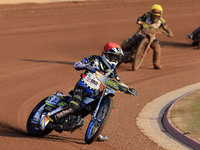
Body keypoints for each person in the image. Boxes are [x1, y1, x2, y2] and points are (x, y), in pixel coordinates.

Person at [40, 42, 137, 141]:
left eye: (117, 58)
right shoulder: (94, 59)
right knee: (74, 106)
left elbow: (118, 81)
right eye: (112, 57)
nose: (114, 61)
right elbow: (77, 64)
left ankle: (96, 130)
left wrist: (128, 89)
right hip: (83, 86)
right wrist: (87, 66)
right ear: (105, 54)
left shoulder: (112, 70)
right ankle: (48, 117)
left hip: (94, 91)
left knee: (98, 107)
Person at [121, 4, 173, 69]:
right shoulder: (147, 15)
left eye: (157, 16)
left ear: (160, 15)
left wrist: (169, 33)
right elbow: (139, 19)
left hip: (152, 37)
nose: (155, 17)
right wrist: (140, 22)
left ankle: (156, 64)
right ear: (151, 13)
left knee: (158, 48)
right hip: (141, 33)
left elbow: (166, 28)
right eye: (153, 15)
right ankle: (117, 51)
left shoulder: (162, 21)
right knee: (129, 43)